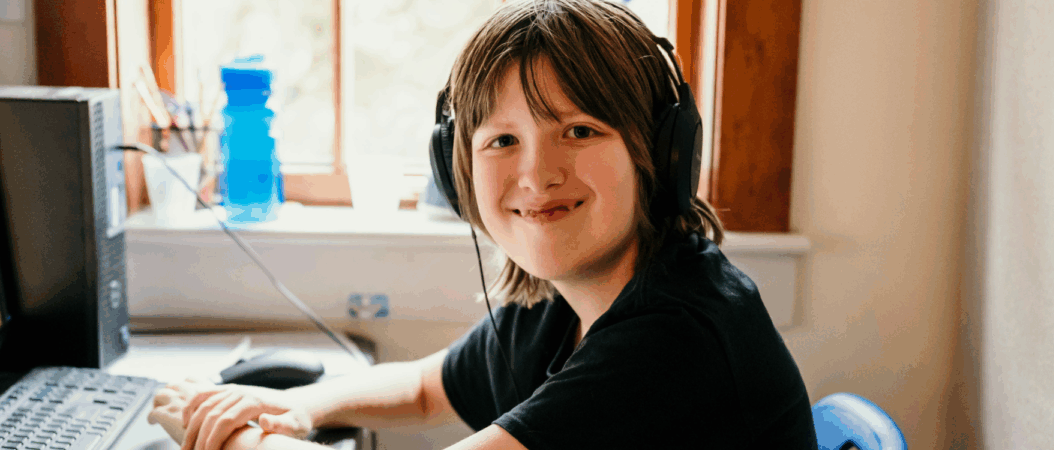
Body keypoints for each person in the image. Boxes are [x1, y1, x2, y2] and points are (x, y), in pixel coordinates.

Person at [169, 1, 816, 448]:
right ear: (458, 174)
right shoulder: (564, 298)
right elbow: (428, 388)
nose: (537, 175)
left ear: (661, 153)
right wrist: (298, 407)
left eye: (580, 130)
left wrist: (236, 439)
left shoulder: (678, 342)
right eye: (502, 141)